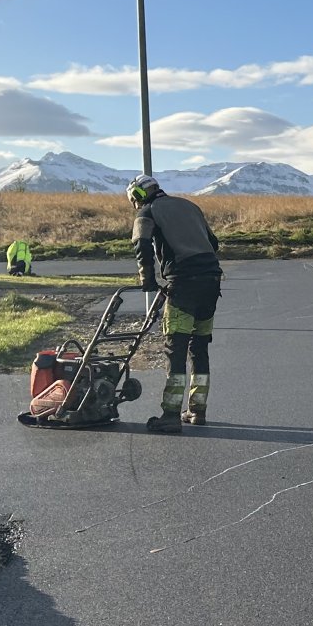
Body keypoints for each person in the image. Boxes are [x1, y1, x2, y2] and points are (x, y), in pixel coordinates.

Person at [127, 173, 223, 433]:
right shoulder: (190, 206)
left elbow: (141, 244)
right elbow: (213, 243)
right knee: (199, 347)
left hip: (184, 285)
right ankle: (197, 410)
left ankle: (170, 414)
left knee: (176, 348)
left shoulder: (147, 212)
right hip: (212, 282)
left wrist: (147, 278)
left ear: (138, 196)